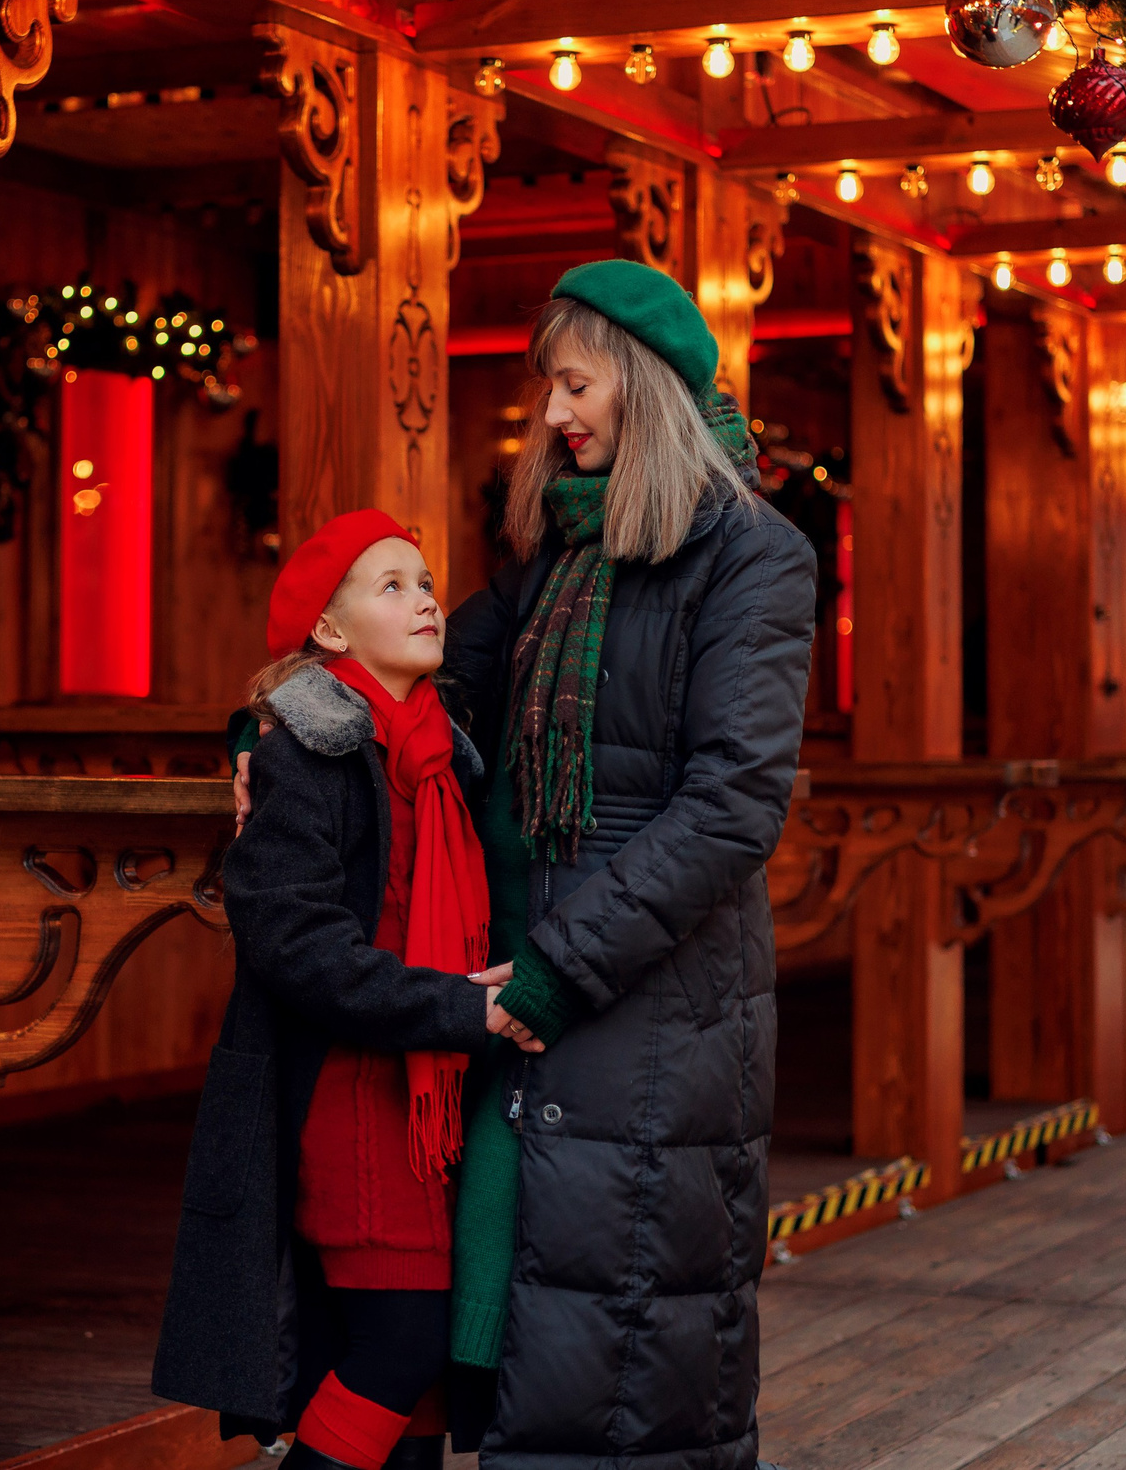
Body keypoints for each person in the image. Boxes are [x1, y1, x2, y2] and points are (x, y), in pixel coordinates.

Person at [438, 261, 818, 1470]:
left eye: (574, 382)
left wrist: (558, 970)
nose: (554, 412)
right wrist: (287, 728)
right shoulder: (555, 560)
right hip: (524, 990)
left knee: (629, 1357)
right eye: (550, 385)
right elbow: (417, 679)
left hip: (645, 1007)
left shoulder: (753, 557)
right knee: (524, 1340)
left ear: (641, 387)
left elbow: (731, 805)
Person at [153, 509, 545, 1470]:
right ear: (330, 633)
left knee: (409, 1374)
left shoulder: (443, 745)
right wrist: (466, 1007)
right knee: (400, 1345)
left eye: (424, 580)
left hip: (431, 1089)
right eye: (393, 585)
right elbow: (295, 945)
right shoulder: (305, 750)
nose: (424, 600)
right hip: (357, 1097)